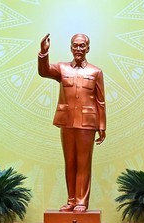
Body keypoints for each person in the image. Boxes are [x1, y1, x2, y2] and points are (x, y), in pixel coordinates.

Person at [38, 33, 106, 212]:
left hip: (87, 123)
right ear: (70, 48)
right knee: (70, 162)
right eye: (75, 45)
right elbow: (44, 71)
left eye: (82, 46)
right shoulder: (62, 68)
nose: (78, 49)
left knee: (83, 163)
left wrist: (102, 126)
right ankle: (71, 200)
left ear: (88, 48)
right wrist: (43, 53)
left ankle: (81, 201)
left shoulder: (95, 72)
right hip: (67, 121)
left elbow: (100, 101)